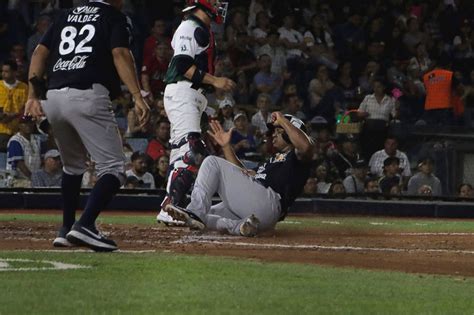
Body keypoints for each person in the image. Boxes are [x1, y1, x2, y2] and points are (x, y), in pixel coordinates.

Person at [25, 0, 150, 251]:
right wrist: (137, 96)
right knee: (114, 168)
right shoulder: (114, 16)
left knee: (72, 167)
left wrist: (32, 96)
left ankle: (65, 228)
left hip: (54, 97)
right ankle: (85, 225)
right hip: (87, 94)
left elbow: (39, 52)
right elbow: (120, 53)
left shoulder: (65, 14)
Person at [164, 113, 313, 237]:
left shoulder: (297, 157)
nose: (273, 134)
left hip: (269, 202)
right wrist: (226, 147)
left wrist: (283, 121)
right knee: (205, 214)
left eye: (279, 131)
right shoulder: (275, 159)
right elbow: (243, 174)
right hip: (259, 213)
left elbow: (305, 146)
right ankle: (241, 226)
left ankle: (195, 211)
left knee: (211, 162)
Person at [159, 0, 236, 223]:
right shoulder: (189, 27)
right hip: (183, 91)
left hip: (192, 95)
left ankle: (174, 205)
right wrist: (216, 81)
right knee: (192, 151)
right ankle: (170, 205)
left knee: (180, 153)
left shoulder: (202, 29)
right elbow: (183, 65)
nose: (219, 4)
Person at [0, 60, 29, 152]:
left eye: (6, 71)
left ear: (14, 72)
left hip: (17, 130)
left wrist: (14, 115)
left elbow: (26, 107)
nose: (3, 74)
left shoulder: (24, 87)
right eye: (2, 71)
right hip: (1, 130)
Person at [6, 115, 42, 185]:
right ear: (19, 126)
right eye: (24, 123)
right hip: (17, 180)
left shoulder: (38, 139)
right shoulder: (15, 141)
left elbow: (43, 160)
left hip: (33, 178)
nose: (28, 125)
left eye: (30, 123)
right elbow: (20, 164)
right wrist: (34, 179)